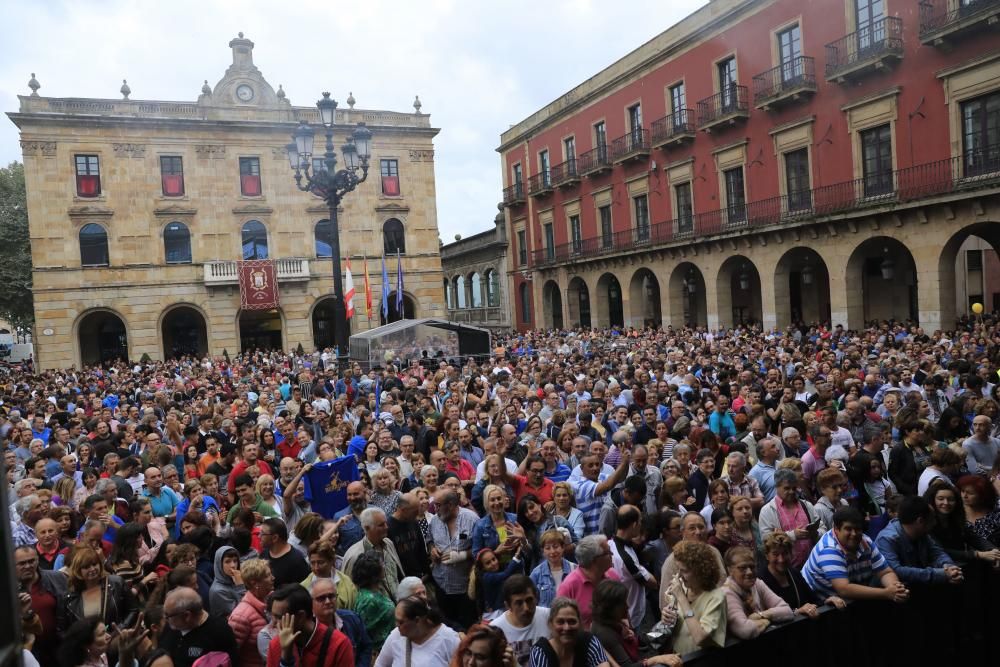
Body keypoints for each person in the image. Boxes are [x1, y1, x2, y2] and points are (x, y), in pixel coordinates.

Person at [802, 506, 910, 603]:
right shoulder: (828, 549)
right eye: (848, 529)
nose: (854, 534)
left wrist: (895, 588)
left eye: (857, 529)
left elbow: (885, 572)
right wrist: (886, 593)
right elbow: (844, 589)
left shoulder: (865, 541)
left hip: (848, 599)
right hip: (817, 603)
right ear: (836, 529)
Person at [874, 495, 964, 586]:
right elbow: (896, 570)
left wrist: (950, 567)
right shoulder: (887, 539)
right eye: (932, 518)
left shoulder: (922, 532)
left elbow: (937, 553)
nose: (935, 523)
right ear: (920, 521)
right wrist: (940, 574)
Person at [590, 579, 681, 667]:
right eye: (622, 604)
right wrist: (656, 659)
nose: (627, 606)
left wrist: (665, 624)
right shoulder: (605, 634)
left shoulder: (612, 622)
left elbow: (643, 640)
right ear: (610, 609)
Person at [266, 583, 355, 667]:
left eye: (279, 617)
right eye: (272, 616)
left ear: (301, 616)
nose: (273, 623)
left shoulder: (339, 644)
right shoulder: (276, 645)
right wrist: (286, 656)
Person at [58, 545, 139, 633]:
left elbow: (133, 610)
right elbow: (62, 630)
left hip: (116, 640)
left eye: (94, 564)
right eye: (86, 567)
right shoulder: (68, 597)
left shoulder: (117, 583)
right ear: (77, 570)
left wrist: (119, 629)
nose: (92, 569)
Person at [665, 540, 727, 655]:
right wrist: (666, 617)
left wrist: (682, 599)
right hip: (678, 656)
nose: (679, 575)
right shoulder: (683, 587)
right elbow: (675, 620)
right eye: (678, 569)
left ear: (701, 571)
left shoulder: (716, 597)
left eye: (684, 571)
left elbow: (700, 638)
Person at [430, 489, 480, 630]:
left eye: (438, 505)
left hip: (465, 588)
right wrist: (432, 549)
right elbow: (430, 540)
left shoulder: (472, 520)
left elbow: (482, 549)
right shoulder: (435, 520)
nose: (435, 509)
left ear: (451, 505)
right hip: (442, 586)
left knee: (467, 628)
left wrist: (464, 555)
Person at [721, 546, 793, 639]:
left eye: (752, 566)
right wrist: (768, 620)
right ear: (730, 570)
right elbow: (745, 630)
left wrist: (762, 615)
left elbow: (787, 611)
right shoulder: (727, 593)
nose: (749, 572)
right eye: (742, 568)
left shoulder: (757, 583)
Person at [758, 468, 824, 569]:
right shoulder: (767, 511)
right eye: (787, 488)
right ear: (776, 486)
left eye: (794, 488)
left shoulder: (807, 505)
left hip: (812, 564)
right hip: (786, 567)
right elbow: (766, 540)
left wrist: (815, 533)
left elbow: (823, 528)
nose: (791, 492)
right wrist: (792, 535)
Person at [924, 480, 1000, 566]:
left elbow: (974, 538)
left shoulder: (955, 518)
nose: (946, 503)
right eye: (941, 499)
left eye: (951, 499)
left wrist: (994, 551)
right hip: (940, 566)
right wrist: (977, 554)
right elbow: (940, 551)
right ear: (932, 500)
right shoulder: (927, 523)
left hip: (962, 564)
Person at [161, 586, 239, 667]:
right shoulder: (172, 625)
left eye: (167, 615)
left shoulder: (220, 632)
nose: (165, 618)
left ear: (187, 616)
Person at [555, 535, 622, 629]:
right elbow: (558, 622)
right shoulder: (569, 586)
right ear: (594, 560)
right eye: (607, 552)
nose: (612, 554)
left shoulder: (613, 576)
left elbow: (624, 611)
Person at [608, 504, 657, 629]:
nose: (641, 524)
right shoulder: (625, 558)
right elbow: (652, 582)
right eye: (640, 521)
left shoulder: (609, 544)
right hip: (633, 618)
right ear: (635, 525)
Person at [375, 596, 461, 667]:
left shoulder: (449, 639)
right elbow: (380, 664)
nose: (396, 625)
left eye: (401, 622)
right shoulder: (395, 636)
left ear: (417, 620)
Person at [527, 597, 610, 667]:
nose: (567, 628)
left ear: (580, 623)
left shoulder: (589, 642)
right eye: (560, 622)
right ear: (550, 624)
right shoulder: (540, 652)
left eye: (572, 621)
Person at [341, 507, 403, 600]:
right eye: (381, 525)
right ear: (367, 528)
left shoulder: (388, 543)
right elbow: (351, 592)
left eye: (386, 523)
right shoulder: (355, 556)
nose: (386, 527)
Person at [311, 577, 373, 667]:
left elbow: (366, 646)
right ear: (311, 602)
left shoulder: (352, 619)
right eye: (321, 598)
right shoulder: (308, 628)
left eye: (331, 596)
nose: (328, 601)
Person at [490, 575, 550, 667]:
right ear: (508, 606)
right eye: (519, 603)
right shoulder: (496, 630)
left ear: (536, 598)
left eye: (529, 600)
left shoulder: (548, 617)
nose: (526, 608)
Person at [229, 558, 275, 667]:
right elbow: (232, 653)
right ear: (255, 583)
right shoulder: (240, 616)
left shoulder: (272, 600)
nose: (273, 578)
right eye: (268, 576)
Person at [352, 551, 396, 651]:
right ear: (374, 572)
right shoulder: (368, 600)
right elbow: (363, 632)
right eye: (382, 564)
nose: (384, 566)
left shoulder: (375, 590)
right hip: (379, 651)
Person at [261, 517, 312, 587]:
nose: (259, 536)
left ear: (275, 538)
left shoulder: (296, 561)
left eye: (262, 534)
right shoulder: (264, 553)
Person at [957, 474, 1000, 545]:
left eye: (970, 493)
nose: (964, 496)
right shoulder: (955, 512)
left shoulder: (995, 515)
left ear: (982, 495)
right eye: (962, 491)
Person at [208, 545, 247, 619]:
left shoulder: (234, 578)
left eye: (235, 561)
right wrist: (241, 587)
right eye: (227, 561)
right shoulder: (218, 591)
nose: (233, 565)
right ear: (219, 564)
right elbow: (242, 612)